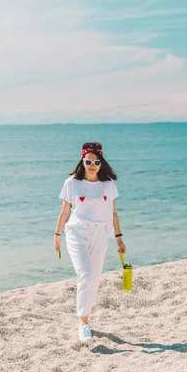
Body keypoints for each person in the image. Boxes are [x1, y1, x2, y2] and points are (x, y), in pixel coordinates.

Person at [54, 142, 126, 344]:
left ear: (101, 163)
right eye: (88, 161)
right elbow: (65, 211)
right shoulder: (71, 183)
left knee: (93, 277)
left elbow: (113, 213)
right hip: (77, 233)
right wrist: (56, 234)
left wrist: (119, 238)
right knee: (85, 274)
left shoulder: (108, 184)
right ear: (82, 161)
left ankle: (84, 317)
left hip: (101, 235)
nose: (92, 165)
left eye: (96, 162)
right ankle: (83, 323)